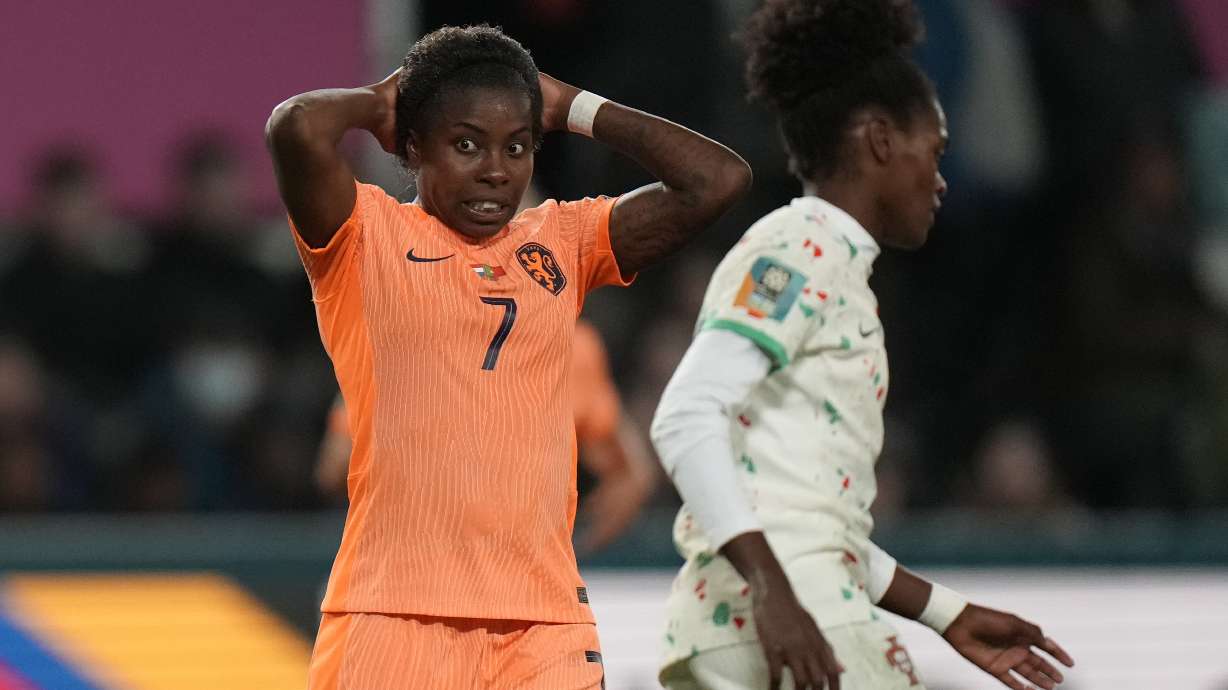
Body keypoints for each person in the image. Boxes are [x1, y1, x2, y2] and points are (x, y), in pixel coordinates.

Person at [265, 24, 750, 690]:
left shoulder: (565, 241)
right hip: (391, 613)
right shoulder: (362, 236)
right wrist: (384, 101)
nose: (496, 169)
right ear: (412, 147)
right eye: (466, 144)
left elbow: (716, 181)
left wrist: (571, 106)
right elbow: (295, 128)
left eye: (517, 146)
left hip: (542, 626)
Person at [650, 2, 1075, 689]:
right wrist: (774, 590)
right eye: (932, 150)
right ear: (879, 139)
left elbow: (806, 512)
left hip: (732, 624)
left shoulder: (830, 266)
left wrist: (944, 612)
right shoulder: (800, 249)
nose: (939, 178)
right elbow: (684, 415)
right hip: (799, 616)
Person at [314, 320, 656, 554]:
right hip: (525, 575)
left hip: (417, 572)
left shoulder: (403, 329)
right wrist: (577, 552)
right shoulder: (571, 339)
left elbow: (334, 467)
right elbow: (633, 475)